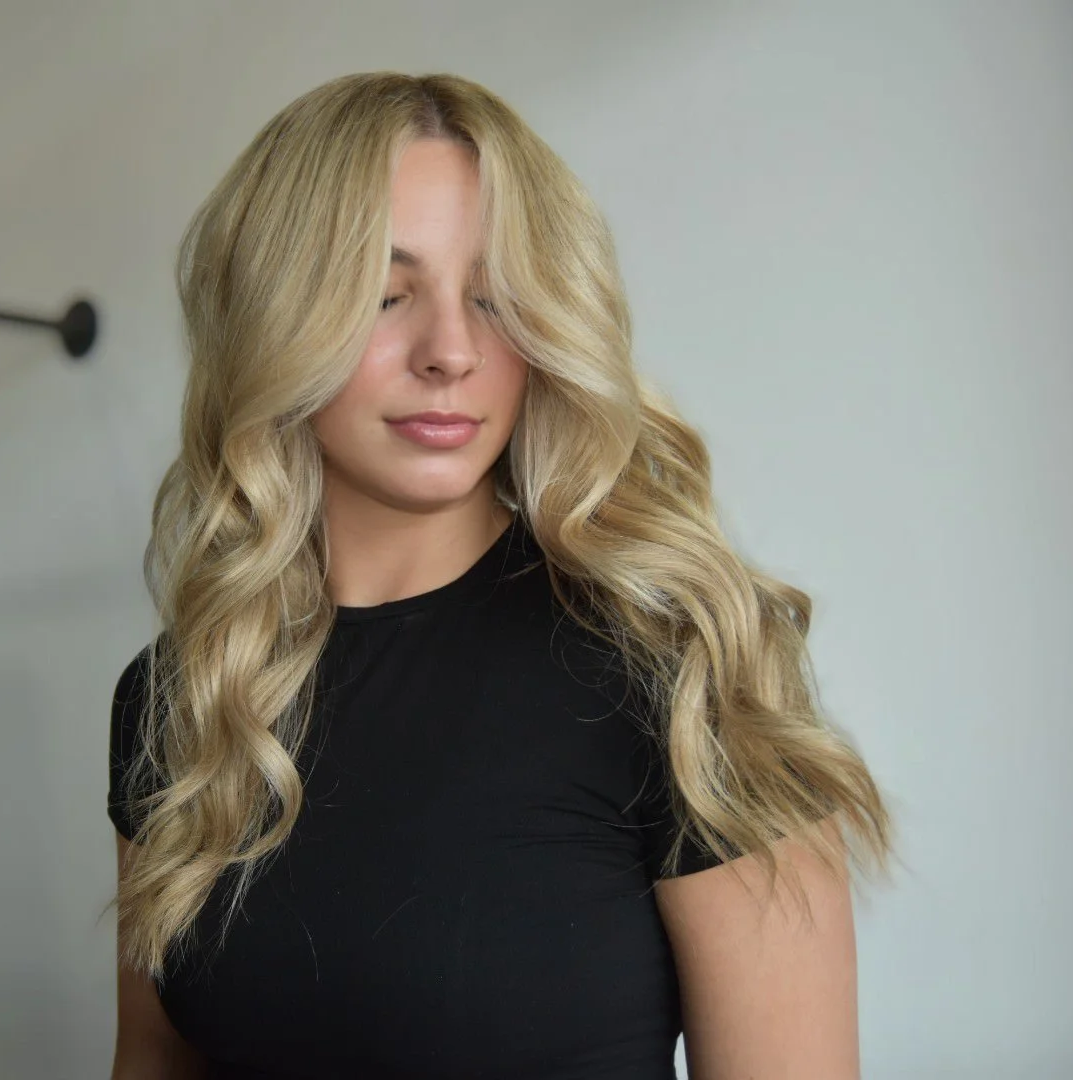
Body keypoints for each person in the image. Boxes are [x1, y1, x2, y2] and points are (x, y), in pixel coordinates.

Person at [106, 72, 893, 1080]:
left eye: (494, 297)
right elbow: (154, 1061)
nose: (452, 351)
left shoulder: (684, 667)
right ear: (272, 327)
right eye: (386, 297)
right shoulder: (180, 702)